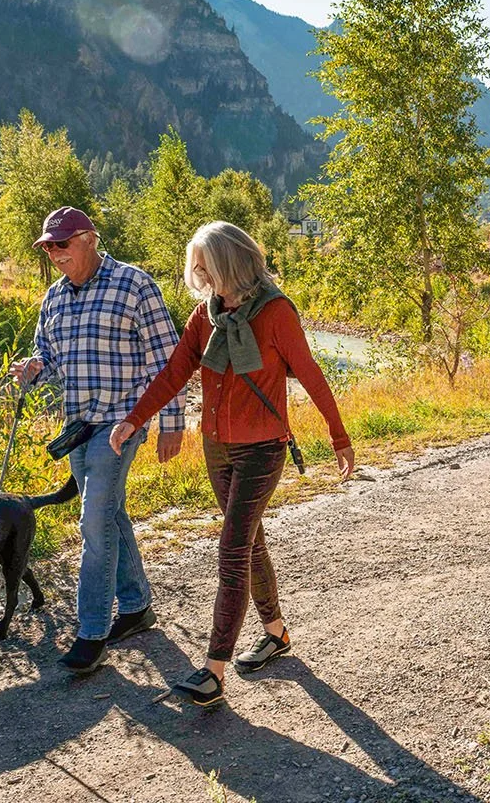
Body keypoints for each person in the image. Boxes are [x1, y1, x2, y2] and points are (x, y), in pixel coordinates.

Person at [109, 220, 354, 707]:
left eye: (205, 266)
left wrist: (338, 435)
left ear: (229, 264)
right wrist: (134, 420)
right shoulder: (207, 316)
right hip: (217, 447)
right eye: (195, 267)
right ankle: (277, 633)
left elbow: (310, 373)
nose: (198, 276)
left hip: (263, 448)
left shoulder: (277, 313)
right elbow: (176, 371)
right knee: (250, 542)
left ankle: (213, 671)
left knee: (231, 550)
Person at [8, 206, 187, 675]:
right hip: (78, 425)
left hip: (122, 423)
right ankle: (136, 607)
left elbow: (168, 361)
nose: (54, 254)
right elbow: (45, 351)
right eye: (48, 247)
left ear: (89, 239)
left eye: (62, 244)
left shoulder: (134, 284)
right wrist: (33, 368)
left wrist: (172, 421)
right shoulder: (54, 297)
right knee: (110, 514)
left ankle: (91, 633)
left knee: (93, 521)